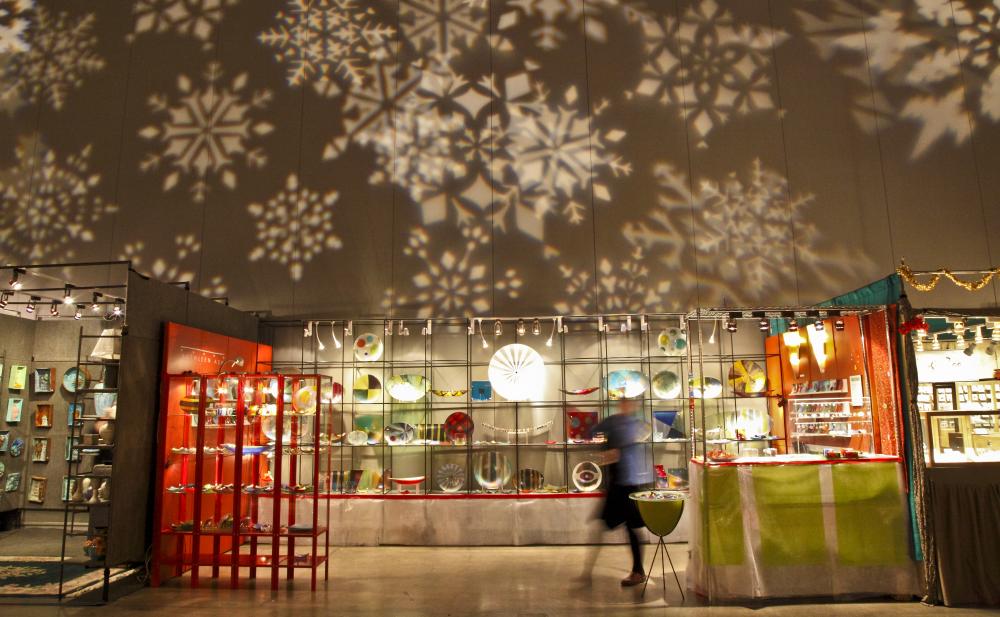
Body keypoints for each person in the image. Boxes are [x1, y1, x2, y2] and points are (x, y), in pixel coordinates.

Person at [592, 398, 651, 587]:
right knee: (605, 526)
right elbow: (593, 432)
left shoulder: (632, 425)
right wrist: (604, 445)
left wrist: (612, 449)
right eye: (624, 404)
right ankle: (589, 571)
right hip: (619, 483)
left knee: (631, 528)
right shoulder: (615, 422)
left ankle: (638, 571)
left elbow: (628, 447)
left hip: (628, 484)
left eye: (630, 404)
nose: (627, 407)